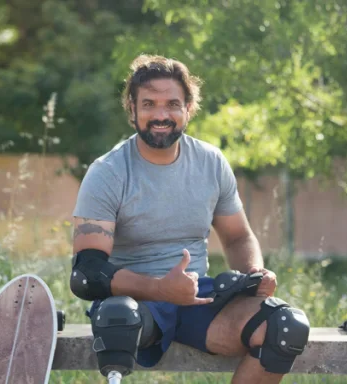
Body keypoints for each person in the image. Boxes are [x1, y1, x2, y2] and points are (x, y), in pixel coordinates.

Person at [69, 54, 310, 384]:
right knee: (118, 318)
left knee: (286, 326)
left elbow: (238, 237)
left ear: (189, 108)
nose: (161, 115)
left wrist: (254, 275)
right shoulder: (107, 172)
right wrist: (159, 288)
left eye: (172, 104)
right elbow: (87, 273)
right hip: (138, 304)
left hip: (198, 299)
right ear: (132, 109)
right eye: (149, 104)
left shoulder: (211, 162)